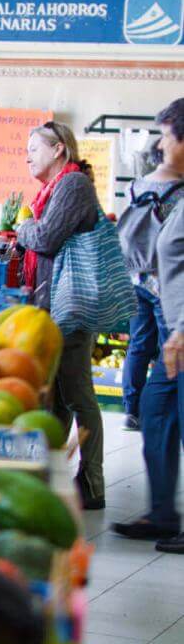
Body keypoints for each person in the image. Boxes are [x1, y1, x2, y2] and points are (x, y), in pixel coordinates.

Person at [16, 121, 105, 511]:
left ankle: (92, 482)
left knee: (77, 394)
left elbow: (47, 237)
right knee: (56, 398)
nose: (27, 154)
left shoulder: (72, 185)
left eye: (34, 147)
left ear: (58, 150)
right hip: (56, 306)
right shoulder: (55, 188)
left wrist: (22, 229)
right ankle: (52, 473)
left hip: (70, 306)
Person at [114, 100, 184, 550]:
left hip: (179, 329)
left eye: (167, 135)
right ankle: (161, 514)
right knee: (157, 410)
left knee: (163, 407)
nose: (159, 144)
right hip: (173, 329)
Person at [118, 123, 184, 432]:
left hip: (134, 278)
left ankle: (132, 410)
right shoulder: (179, 191)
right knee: (168, 346)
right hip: (163, 282)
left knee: (138, 344)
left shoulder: (136, 185)